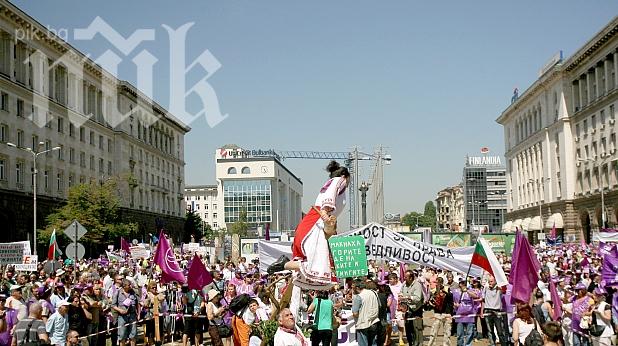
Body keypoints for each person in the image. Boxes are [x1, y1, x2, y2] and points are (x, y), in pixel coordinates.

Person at [285, 161, 349, 290]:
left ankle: (287, 264)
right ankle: (286, 264)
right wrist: (325, 210)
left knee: (319, 259)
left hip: (317, 220)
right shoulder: (339, 180)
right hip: (318, 220)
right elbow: (331, 193)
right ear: (345, 176)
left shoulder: (331, 182)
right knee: (318, 261)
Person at [351, 279, 380, 346]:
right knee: (373, 343)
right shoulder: (373, 293)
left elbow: (355, 313)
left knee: (363, 344)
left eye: (353, 288)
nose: (352, 290)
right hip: (374, 321)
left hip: (363, 324)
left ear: (357, 288)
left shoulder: (359, 297)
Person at [482, 276, 509, 346]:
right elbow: (483, 300)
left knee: (500, 330)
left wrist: (500, 288)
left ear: (495, 282)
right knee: (490, 331)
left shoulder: (499, 288)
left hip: (497, 311)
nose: (489, 283)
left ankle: (503, 344)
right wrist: (482, 311)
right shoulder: (486, 288)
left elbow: (504, 289)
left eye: (491, 281)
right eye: (489, 281)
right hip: (487, 310)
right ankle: (492, 344)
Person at [427, 277, 453, 346]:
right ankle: (431, 344)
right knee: (434, 331)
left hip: (447, 313)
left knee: (447, 332)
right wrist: (432, 303)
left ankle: (446, 345)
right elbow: (430, 301)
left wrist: (444, 291)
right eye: (436, 282)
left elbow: (450, 297)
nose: (437, 284)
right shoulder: (433, 290)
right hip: (437, 313)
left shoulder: (447, 288)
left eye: (439, 282)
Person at [401, 270, 424, 346]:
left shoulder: (417, 285)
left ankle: (419, 343)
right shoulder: (404, 284)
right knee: (408, 328)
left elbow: (417, 298)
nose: (404, 278)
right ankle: (411, 343)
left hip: (416, 309)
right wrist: (401, 297)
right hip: (407, 309)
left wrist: (408, 297)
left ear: (411, 278)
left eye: (406, 277)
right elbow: (401, 293)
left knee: (417, 328)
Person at [113, 279, 138, 346]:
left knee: (133, 334)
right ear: (124, 286)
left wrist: (138, 314)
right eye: (128, 285)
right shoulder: (118, 292)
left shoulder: (133, 292)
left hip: (132, 316)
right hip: (122, 317)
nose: (130, 286)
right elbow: (113, 305)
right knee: (122, 335)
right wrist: (120, 310)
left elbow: (137, 303)